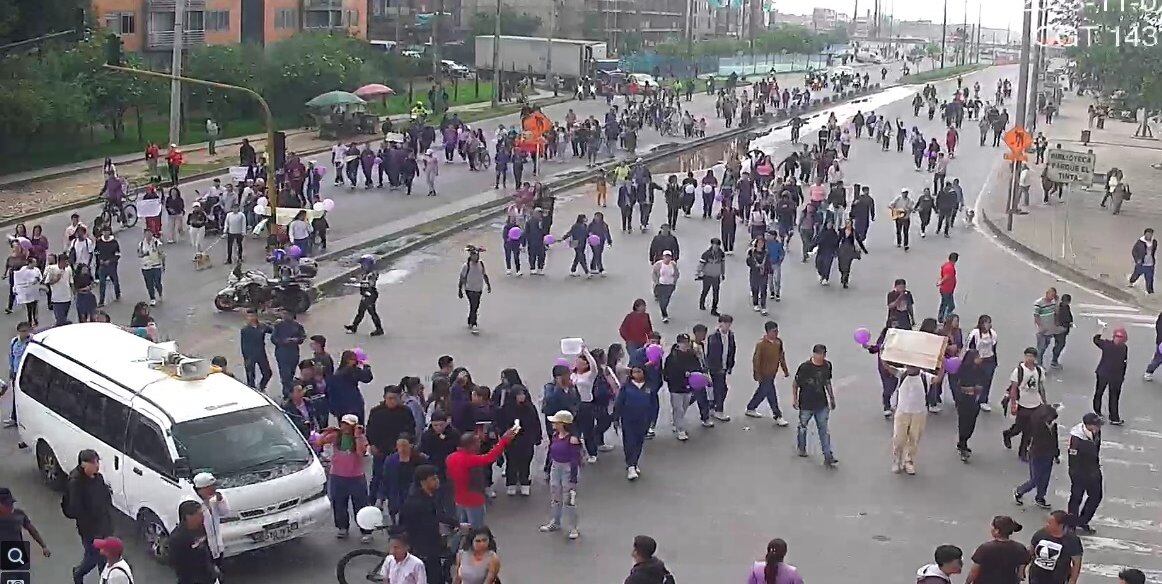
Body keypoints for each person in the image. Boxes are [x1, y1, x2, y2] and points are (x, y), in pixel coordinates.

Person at [399, 464, 463, 584]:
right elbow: (423, 525)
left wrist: (456, 524)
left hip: (432, 547)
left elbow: (437, 516)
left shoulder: (430, 496)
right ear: (423, 482)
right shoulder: (416, 503)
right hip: (424, 550)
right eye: (433, 479)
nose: (437, 481)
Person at [446, 426, 517, 529]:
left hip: (458, 499)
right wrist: (504, 441)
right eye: (478, 442)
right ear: (471, 445)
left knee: (463, 528)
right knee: (476, 529)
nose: (480, 444)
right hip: (474, 499)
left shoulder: (451, 457)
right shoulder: (469, 459)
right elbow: (490, 457)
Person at [882, 361, 945, 474]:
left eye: (913, 366)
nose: (910, 367)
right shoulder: (902, 373)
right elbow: (888, 368)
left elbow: (937, 379)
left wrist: (943, 365)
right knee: (899, 438)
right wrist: (883, 356)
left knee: (914, 438)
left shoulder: (925, 376)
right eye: (909, 365)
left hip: (919, 413)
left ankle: (909, 461)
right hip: (902, 412)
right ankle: (897, 459)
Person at [319, 414, 373, 542]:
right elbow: (319, 442)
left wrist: (357, 436)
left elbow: (360, 453)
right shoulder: (336, 436)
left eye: (348, 425)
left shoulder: (361, 438)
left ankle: (366, 530)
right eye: (343, 424)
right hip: (337, 476)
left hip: (356, 477)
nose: (345, 427)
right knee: (339, 503)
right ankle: (342, 527)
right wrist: (327, 432)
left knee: (361, 505)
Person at [65, 449, 114, 584]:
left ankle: (104, 580)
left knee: (104, 558)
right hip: (90, 531)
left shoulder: (98, 478)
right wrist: (92, 527)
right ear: (84, 464)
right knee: (93, 557)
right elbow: (77, 509)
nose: (97, 465)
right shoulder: (76, 483)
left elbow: (105, 499)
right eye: (94, 463)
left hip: (103, 526)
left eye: (97, 462)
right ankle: (78, 573)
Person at [367, 387, 416, 507]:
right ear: (384, 398)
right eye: (389, 398)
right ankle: (373, 502)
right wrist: (372, 445)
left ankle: (398, 504)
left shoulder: (405, 412)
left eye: (395, 398)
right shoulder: (376, 412)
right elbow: (370, 430)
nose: (392, 401)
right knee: (378, 476)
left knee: (398, 479)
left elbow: (411, 430)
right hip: (380, 450)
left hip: (399, 451)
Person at [792, 343, 838, 467]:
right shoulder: (805, 367)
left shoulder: (827, 366)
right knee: (803, 427)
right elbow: (795, 383)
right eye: (819, 354)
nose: (821, 357)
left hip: (821, 403)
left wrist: (832, 398)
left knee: (823, 430)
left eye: (823, 354)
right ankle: (802, 447)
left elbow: (827, 382)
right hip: (806, 403)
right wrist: (795, 399)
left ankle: (828, 455)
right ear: (814, 354)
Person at [540, 410, 583, 539]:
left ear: (563, 423)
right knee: (555, 496)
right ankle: (555, 522)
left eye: (556, 422)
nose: (553, 423)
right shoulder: (555, 435)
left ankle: (573, 527)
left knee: (569, 499)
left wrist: (573, 478)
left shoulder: (572, 440)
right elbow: (551, 453)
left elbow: (575, 459)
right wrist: (549, 468)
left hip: (567, 469)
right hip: (556, 467)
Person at [1004, 347, 1048, 460]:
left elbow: (1041, 387)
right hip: (1023, 404)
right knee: (1019, 427)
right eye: (1027, 356)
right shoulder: (1019, 371)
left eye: (1031, 356)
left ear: (1035, 358)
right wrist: (1013, 404)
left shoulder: (1039, 371)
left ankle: (1023, 451)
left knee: (1030, 429)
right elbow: (1014, 388)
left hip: (1035, 404)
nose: (1029, 359)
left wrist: (1044, 402)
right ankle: (1008, 434)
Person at [497, 384, 541, 495]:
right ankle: (511, 483)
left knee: (525, 461)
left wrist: (537, 436)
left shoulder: (530, 408)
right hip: (512, 440)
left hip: (526, 439)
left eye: (523, 394)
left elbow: (536, 423)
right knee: (511, 462)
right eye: (519, 394)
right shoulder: (506, 409)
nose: (522, 397)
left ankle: (524, 482)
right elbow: (501, 424)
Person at [1013, 404, 1060, 509]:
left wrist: (1056, 454)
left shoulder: (1053, 426)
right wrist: (1026, 450)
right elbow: (1028, 439)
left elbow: (1055, 441)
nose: (1052, 420)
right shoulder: (1036, 426)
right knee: (1035, 479)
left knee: (1045, 478)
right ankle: (1020, 491)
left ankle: (1040, 497)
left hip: (1049, 454)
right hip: (1036, 454)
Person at [747, 320, 790, 425]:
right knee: (772, 394)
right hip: (764, 374)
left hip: (772, 373)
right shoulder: (761, 344)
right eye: (773, 331)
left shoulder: (778, 342)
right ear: (768, 332)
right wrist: (757, 374)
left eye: (777, 331)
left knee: (762, 392)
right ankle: (777, 415)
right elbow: (756, 360)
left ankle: (751, 407)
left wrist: (785, 370)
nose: (776, 333)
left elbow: (781, 357)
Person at [1067, 412, 1103, 535]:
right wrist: (1075, 475)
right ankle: (1071, 524)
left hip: (1093, 470)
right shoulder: (1076, 438)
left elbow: (1096, 449)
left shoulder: (1096, 432)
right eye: (1096, 425)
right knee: (1076, 497)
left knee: (1096, 496)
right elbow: (1073, 459)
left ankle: (1083, 520)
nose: (1098, 428)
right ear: (1088, 425)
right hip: (1079, 472)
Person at [965, 516, 1029, 584]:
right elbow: (1021, 574)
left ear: (997, 530)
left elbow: (974, 571)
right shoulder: (1020, 548)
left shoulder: (985, 548)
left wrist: (967, 582)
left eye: (992, 527)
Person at [663, 333, 702, 441]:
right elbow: (668, 372)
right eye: (683, 343)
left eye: (687, 343)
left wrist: (695, 374)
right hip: (676, 387)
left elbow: (697, 367)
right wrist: (682, 374)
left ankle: (676, 421)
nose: (685, 345)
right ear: (678, 343)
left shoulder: (692, 355)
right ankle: (680, 430)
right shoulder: (672, 357)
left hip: (688, 386)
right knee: (678, 408)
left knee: (684, 406)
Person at [169, 500, 218, 584]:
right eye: (199, 514)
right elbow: (177, 564)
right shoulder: (177, 538)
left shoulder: (201, 528)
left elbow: (207, 548)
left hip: (209, 575)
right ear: (188, 517)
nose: (202, 516)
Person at [1028, 510, 1083, 584]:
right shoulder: (1040, 534)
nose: (1046, 525)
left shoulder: (1072, 540)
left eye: (1050, 523)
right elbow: (1031, 552)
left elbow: (1076, 563)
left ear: (1060, 525)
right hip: (1037, 577)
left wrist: (1073, 580)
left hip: (1058, 579)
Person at [192, 472, 230, 568]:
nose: (214, 489)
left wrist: (220, 501)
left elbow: (225, 512)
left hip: (217, 547)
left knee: (219, 569)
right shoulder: (192, 503)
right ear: (202, 489)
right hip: (202, 548)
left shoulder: (215, 499)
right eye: (211, 487)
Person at [1092, 325, 1128, 425]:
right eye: (1117, 337)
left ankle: (1106, 415)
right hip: (1111, 375)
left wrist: (1101, 329)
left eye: (1119, 337)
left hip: (1108, 374)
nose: (1118, 339)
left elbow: (1096, 339)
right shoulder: (1121, 347)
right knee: (1106, 394)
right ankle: (1109, 416)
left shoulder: (1108, 345)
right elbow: (1124, 363)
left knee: (1105, 394)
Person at [0, 487, 51, 558]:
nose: (10, 506)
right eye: (6, 504)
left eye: (11, 503)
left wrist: (43, 546)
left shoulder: (19, 514)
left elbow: (32, 530)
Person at [345, 255, 384, 336]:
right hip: (366, 294)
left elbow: (371, 283)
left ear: (369, 264)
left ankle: (379, 329)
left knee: (372, 312)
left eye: (364, 264)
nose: (362, 266)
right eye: (362, 264)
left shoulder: (372, 273)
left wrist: (367, 293)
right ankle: (354, 327)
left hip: (370, 294)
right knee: (361, 312)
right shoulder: (365, 273)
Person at [706, 314, 736, 421]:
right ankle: (718, 410)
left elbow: (732, 350)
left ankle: (712, 406)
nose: (727, 326)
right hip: (716, 368)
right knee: (721, 389)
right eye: (725, 324)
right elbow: (711, 354)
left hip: (724, 366)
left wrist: (730, 365)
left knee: (719, 389)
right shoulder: (713, 337)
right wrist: (714, 367)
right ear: (720, 324)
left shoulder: (730, 335)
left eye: (728, 324)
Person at [457, 246, 492, 334]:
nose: (476, 257)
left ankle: (470, 320)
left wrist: (488, 285)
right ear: (471, 256)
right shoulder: (466, 266)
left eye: (477, 256)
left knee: (475, 306)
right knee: (474, 305)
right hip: (469, 289)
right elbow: (462, 278)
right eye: (474, 256)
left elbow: (484, 275)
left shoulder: (481, 264)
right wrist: (460, 290)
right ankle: (474, 324)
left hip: (479, 288)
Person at [272, 309, 306, 397]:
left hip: (293, 352)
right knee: (285, 373)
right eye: (284, 314)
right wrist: (283, 341)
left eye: (287, 314)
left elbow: (302, 336)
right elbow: (273, 339)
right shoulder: (278, 326)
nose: (285, 315)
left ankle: (291, 391)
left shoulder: (297, 326)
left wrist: (296, 340)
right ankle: (286, 393)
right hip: (282, 352)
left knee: (291, 372)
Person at [239, 310, 273, 391]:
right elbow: (243, 345)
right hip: (250, 355)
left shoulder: (262, 326)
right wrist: (246, 358)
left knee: (267, 373)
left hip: (261, 353)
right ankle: (252, 391)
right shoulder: (245, 330)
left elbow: (272, 330)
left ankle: (261, 387)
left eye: (252, 316)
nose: (250, 318)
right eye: (249, 316)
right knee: (250, 376)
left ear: (256, 316)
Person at [696, 238, 726, 316]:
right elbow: (701, 264)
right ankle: (702, 303)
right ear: (712, 245)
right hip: (707, 276)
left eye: (717, 245)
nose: (716, 247)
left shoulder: (721, 254)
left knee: (716, 293)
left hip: (716, 276)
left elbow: (722, 264)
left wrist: (723, 273)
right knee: (705, 290)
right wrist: (698, 273)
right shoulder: (706, 254)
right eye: (714, 245)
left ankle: (714, 309)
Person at [44, 253, 74, 327]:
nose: (67, 263)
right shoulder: (52, 269)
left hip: (67, 297)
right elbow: (47, 282)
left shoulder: (69, 269)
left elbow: (71, 281)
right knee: (60, 320)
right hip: (57, 299)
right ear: (61, 261)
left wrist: (74, 292)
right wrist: (56, 279)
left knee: (64, 318)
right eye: (66, 262)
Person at [137, 228, 165, 306]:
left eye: (150, 234)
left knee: (157, 282)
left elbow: (162, 254)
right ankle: (152, 298)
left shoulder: (157, 243)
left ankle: (160, 292)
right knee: (149, 284)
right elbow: (139, 254)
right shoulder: (141, 244)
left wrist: (163, 265)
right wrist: (144, 254)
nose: (148, 236)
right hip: (146, 267)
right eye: (146, 234)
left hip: (156, 266)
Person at [94, 226, 121, 306]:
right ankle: (101, 301)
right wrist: (100, 259)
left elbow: (118, 254)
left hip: (112, 266)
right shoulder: (99, 242)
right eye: (104, 231)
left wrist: (110, 261)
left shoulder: (114, 242)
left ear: (110, 232)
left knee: (115, 281)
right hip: (102, 266)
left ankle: (117, 293)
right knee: (102, 283)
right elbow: (96, 252)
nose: (106, 233)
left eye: (107, 231)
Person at [651, 250, 680, 323]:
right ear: (663, 257)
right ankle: (664, 315)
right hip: (661, 284)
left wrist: (674, 282)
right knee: (662, 301)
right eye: (666, 256)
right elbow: (654, 274)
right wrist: (656, 282)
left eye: (669, 257)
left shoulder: (673, 264)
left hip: (670, 285)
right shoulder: (658, 264)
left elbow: (677, 273)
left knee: (666, 300)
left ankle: (664, 309)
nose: (667, 258)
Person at [1129, 228, 1158, 294]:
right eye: (1147, 234)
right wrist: (1137, 259)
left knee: (1149, 279)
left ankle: (1150, 292)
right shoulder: (1140, 242)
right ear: (1145, 234)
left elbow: (1153, 251)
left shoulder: (1154, 242)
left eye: (1150, 234)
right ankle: (1131, 282)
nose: (1149, 236)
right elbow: (1134, 251)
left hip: (1150, 264)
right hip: (1141, 264)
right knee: (1136, 275)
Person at [937, 253, 959, 322]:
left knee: (944, 304)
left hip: (947, 289)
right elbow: (947, 276)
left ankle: (941, 317)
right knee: (950, 305)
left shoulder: (947, 265)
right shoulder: (949, 268)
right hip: (947, 290)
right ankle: (945, 318)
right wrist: (941, 281)